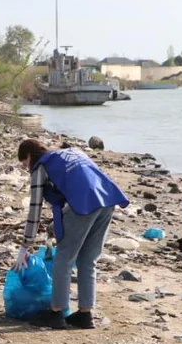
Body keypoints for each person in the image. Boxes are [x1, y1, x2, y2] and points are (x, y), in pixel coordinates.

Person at [13, 138, 129, 330]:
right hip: (107, 200)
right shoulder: (72, 153)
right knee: (88, 259)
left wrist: (25, 245)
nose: (27, 168)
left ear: (28, 156)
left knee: (63, 259)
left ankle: (56, 312)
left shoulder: (41, 167)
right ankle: (85, 314)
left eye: (25, 164)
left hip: (83, 205)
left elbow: (35, 209)